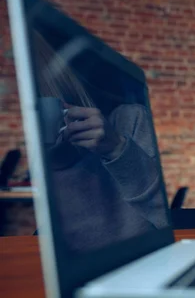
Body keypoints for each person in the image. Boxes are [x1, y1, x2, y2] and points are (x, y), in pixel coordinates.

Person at [34, 30, 169, 251]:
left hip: (140, 258)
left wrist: (117, 148)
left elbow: (164, 217)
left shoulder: (130, 119)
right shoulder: (38, 148)